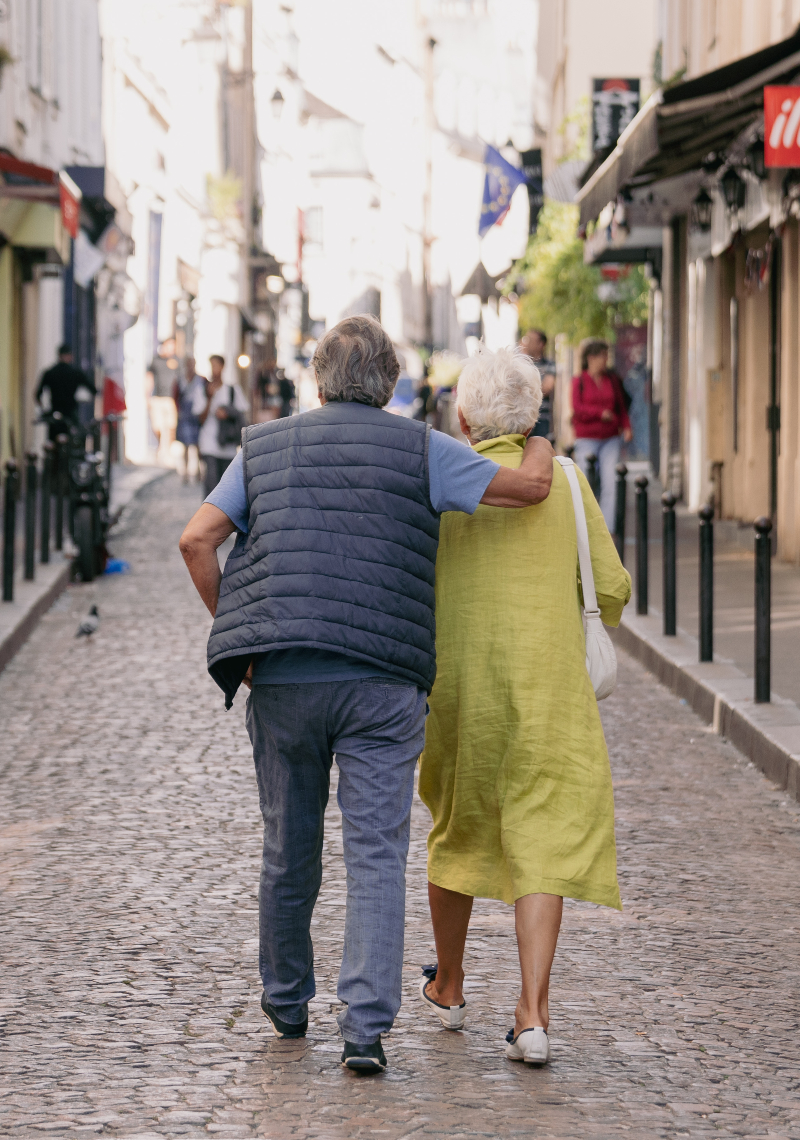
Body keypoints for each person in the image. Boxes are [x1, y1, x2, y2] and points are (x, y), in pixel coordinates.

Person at [178, 315, 555, 1073]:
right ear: (391, 384)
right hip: (384, 680)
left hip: (284, 677)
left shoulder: (263, 446)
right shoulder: (423, 448)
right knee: (378, 851)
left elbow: (196, 539)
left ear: (319, 382)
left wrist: (239, 633)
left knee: (288, 845)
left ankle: (287, 1001)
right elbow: (529, 488)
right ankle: (365, 1028)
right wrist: (538, 438)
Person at [418, 347, 631, 1066]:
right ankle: (533, 1014)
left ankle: (449, 986)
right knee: (542, 837)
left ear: (464, 417)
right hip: (548, 689)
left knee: (457, 825)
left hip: (461, 689)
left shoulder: (444, 484)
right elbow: (611, 589)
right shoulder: (565, 481)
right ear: (534, 415)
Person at [571, 339, 632, 529]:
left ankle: (607, 529)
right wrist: (599, 413)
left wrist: (627, 427)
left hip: (610, 438)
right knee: (586, 483)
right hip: (586, 439)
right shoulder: (579, 381)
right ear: (591, 358)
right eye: (603, 356)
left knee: (610, 483)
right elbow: (577, 409)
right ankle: (586, 527)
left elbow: (621, 407)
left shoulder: (611, 380)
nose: (606, 360)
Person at [197, 354, 249, 495]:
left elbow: (242, 413)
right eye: (211, 366)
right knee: (211, 484)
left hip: (228, 444)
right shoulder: (202, 390)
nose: (213, 369)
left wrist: (227, 413)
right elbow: (200, 419)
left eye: (216, 366)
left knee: (226, 488)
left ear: (222, 367)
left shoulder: (232, 390)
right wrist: (209, 398)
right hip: (209, 444)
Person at [35, 345, 97, 440]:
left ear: (59, 355)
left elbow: (38, 395)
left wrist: (43, 410)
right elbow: (93, 390)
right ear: (70, 356)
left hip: (55, 413)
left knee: (52, 442)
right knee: (74, 440)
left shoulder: (49, 373)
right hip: (70, 414)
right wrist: (84, 399)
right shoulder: (76, 373)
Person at [173, 357, 207, 484]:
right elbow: (176, 396)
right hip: (185, 413)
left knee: (198, 444)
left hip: (197, 414)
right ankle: (186, 473)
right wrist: (178, 411)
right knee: (186, 445)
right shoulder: (180, 379)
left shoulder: (201, 380)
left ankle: (199, 471)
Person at [147, 338, 180, 463]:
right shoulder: (156, 361)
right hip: (157, 397)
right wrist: (147, 396)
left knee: (170, 426)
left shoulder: (176, 361)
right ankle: (161, 447)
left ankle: (166, 451)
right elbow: (149, 378)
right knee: (158, 426)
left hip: (171, 399)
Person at [519, 329, 555, 440]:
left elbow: (546, 389)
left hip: (542, 417)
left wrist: (524, 388)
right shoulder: (520, 364)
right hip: (521, 416)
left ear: (541, 344)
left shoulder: (549, 364)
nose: (527, 343)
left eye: (530, 340)